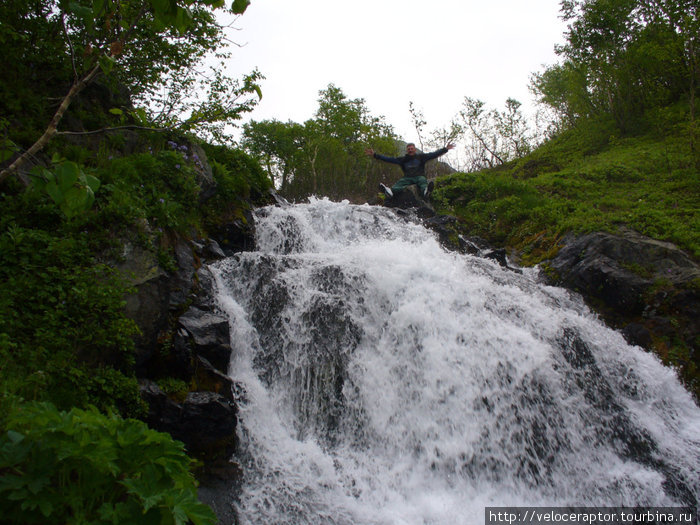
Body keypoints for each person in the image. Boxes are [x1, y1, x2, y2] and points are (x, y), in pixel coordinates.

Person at [366, 142, 455, 198]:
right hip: (407, 178)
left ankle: (425, 192)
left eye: (412, 149)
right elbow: (388, 159)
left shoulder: (421, 157)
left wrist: (445, 149)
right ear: (407, 150)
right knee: (399, 184)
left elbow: (434, 154)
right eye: (408, 149)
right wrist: (375, 155)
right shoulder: (402, 159)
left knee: (422, 181)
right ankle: (390, 192)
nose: (410, 150)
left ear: (415, 150)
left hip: (419, 176)